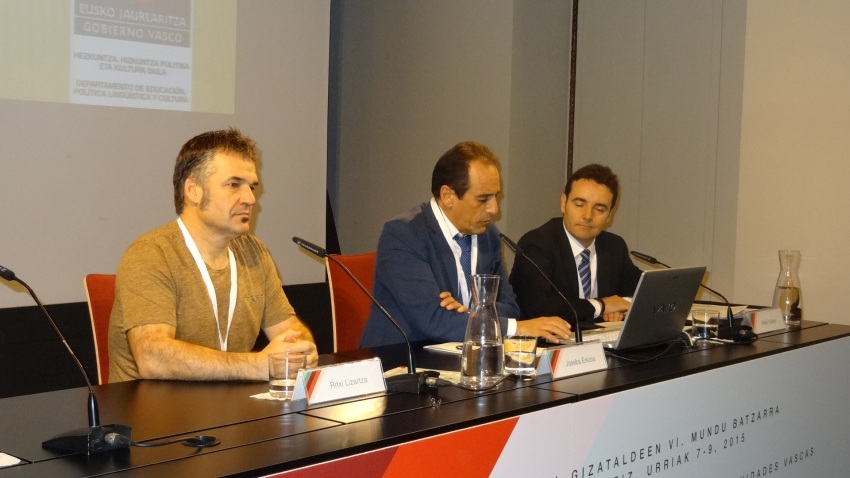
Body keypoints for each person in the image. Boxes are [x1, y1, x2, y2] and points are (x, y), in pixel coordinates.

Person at [108, 128, 317, 383]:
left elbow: (290, 330)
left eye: (251, 187)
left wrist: (301, 349)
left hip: (232, 410)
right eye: (234, 184)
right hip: (157, 417)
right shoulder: (150, 254)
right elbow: (153, 358)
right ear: (194, 191)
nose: (251, 199)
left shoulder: (254, 252)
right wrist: (260, 365)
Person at [359, 141, 572, 348]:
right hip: (400, 362)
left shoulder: (488, 234)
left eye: (495, 197)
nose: (494, 209)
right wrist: (515, 328)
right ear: (448, 195)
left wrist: (471, 313)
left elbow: (509, 306)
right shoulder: (403, 234)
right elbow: (432, 320)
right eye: (483, 199)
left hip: (464, 357)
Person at [509, 164, 643, 327]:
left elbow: (643, 290)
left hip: (601, 344)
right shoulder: (536, 244)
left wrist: (623, 306)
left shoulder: (613, 246)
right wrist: (602, 306)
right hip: (551, 345)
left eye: (599, 209)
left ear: (609, 215)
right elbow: (540, 307)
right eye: (579, 204)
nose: (587, 216)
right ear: (564, 203)